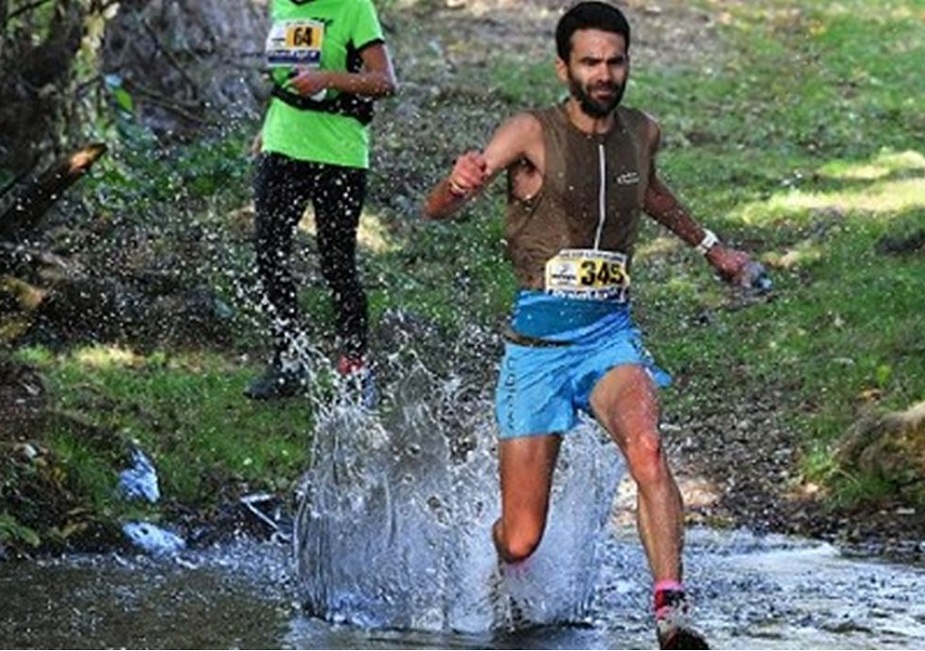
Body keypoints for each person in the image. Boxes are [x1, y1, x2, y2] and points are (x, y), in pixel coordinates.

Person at [421, 2, 761, 647]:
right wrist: (455, 184)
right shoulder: (528, 131)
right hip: (538, 347)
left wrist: (713, 248)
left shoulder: (643, 131)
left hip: (608, 336)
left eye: (615, 61)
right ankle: (479, 558)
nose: (604, 74)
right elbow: (441, 207)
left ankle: (670, 613)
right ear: (564, 67)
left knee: (649, 448)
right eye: (590, 62)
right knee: (521, 539)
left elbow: (649, 192)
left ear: (627, 63)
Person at [247, 0, 395, 401]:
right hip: (282, 145)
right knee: (269, 252)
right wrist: (267, 128)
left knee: (336, 263)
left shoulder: (353, 8)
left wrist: (329, 78)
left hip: (339, 154)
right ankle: (288, 359)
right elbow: (286, 77)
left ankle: (356, 369)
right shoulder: (281, 6)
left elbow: (385, 82)